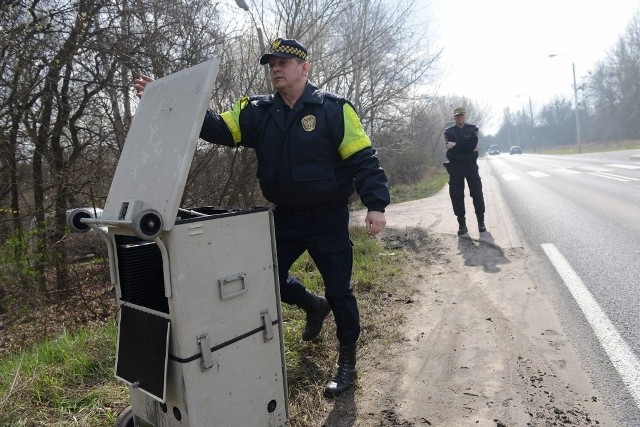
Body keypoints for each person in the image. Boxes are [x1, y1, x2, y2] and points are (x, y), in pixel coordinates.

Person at [134, 38, 390, 398]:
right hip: (284, 218)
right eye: (271, 63)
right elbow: (216, 129)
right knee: (263, 279)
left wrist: (376, 204)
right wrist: (169, 99)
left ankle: (347, 360)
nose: (275, 68)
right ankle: (311, 305)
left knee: (340, 290)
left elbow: (362, 158)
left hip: (327, 218)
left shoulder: (334, 110)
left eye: (283, 62)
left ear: (304, 68)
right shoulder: (257, 111)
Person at [443, 107, 486, 235]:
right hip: (455, 167)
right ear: (454, 117)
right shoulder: (448, 131)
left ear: (465, 116)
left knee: (477, 193)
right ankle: (462, 224)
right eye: (457, 116)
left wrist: (456, 145)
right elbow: (468, 146)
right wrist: (467, 146)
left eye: (461, 115)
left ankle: (481, 222)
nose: (459, 118)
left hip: (471, 166)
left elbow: (472, 144)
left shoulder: (473, 129)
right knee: (456, 196)